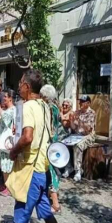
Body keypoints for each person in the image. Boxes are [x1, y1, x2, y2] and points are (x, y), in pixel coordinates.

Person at [9, 69, 61, 223]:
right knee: (46, 212)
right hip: (43, 169)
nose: (18, 88)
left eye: (20, 85)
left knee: (21, 218)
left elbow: (28, 137)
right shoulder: (46, 106)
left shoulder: (28, 106)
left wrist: (13, 151)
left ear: (27, 86)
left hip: (30, 171)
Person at [40, 85, 62, 214]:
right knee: (51, 170)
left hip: (49, 143)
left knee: (51, 172)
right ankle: (50, 197)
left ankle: (55, 205)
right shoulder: (55, 108)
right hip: (55, 142)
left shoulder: (48, 108)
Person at [69, 95, 96, 182]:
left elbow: (88, 129)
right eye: (80, 101)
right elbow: (73, 127)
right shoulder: (77, 112)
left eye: (82, 101)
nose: (80, 103)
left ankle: (78, 171)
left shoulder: (91, 113)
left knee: (78, 145)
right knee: (65, 142)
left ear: (88, 103)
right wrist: (71, 120)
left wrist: (80, 119)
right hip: (77, 135)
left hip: (88, 136)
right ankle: (68, 167)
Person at [0, 89, 16, 197]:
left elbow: (6, 119)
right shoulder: (9, 109)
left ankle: (9, 187)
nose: (4, 98)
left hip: (7, 142)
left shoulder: (12, 109)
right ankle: (7, 185)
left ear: (10, 98)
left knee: (7, 165)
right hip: (4, 141)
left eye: (6, 96)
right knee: (5, 165)